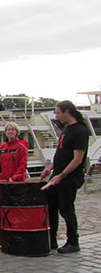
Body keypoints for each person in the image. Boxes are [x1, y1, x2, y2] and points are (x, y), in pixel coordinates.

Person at [41, 100, 89, 253]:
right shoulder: (66, 128)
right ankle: (52, 239)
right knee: (51, 206)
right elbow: (61, 152)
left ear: (67, 112)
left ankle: (73, 241)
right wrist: (50, 167)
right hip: (57, 174)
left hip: (69, 177)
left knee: (66, 209)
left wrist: (62, 175)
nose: (57, 116)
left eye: (58, 113)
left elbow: (77, 159)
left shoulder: (80, 131)